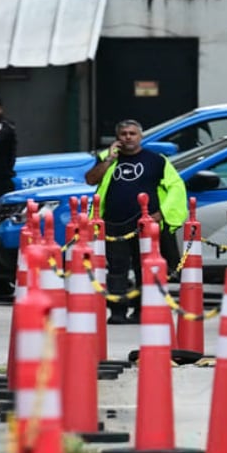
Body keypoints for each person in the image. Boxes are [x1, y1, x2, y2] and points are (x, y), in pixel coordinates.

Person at [84, 119, 187, 324]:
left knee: (144, 269)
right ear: (117, 138)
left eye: (132, 133)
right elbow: (91, 179)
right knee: (116, 270)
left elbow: (176, 188)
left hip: (145, 224)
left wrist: (162, 213)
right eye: (123, 134)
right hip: (114, 224)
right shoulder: (107, 158)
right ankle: (118, 312)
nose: (128, 137)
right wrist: (109, 160)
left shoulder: (157, 161)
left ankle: (142, 311)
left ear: (140, 137)